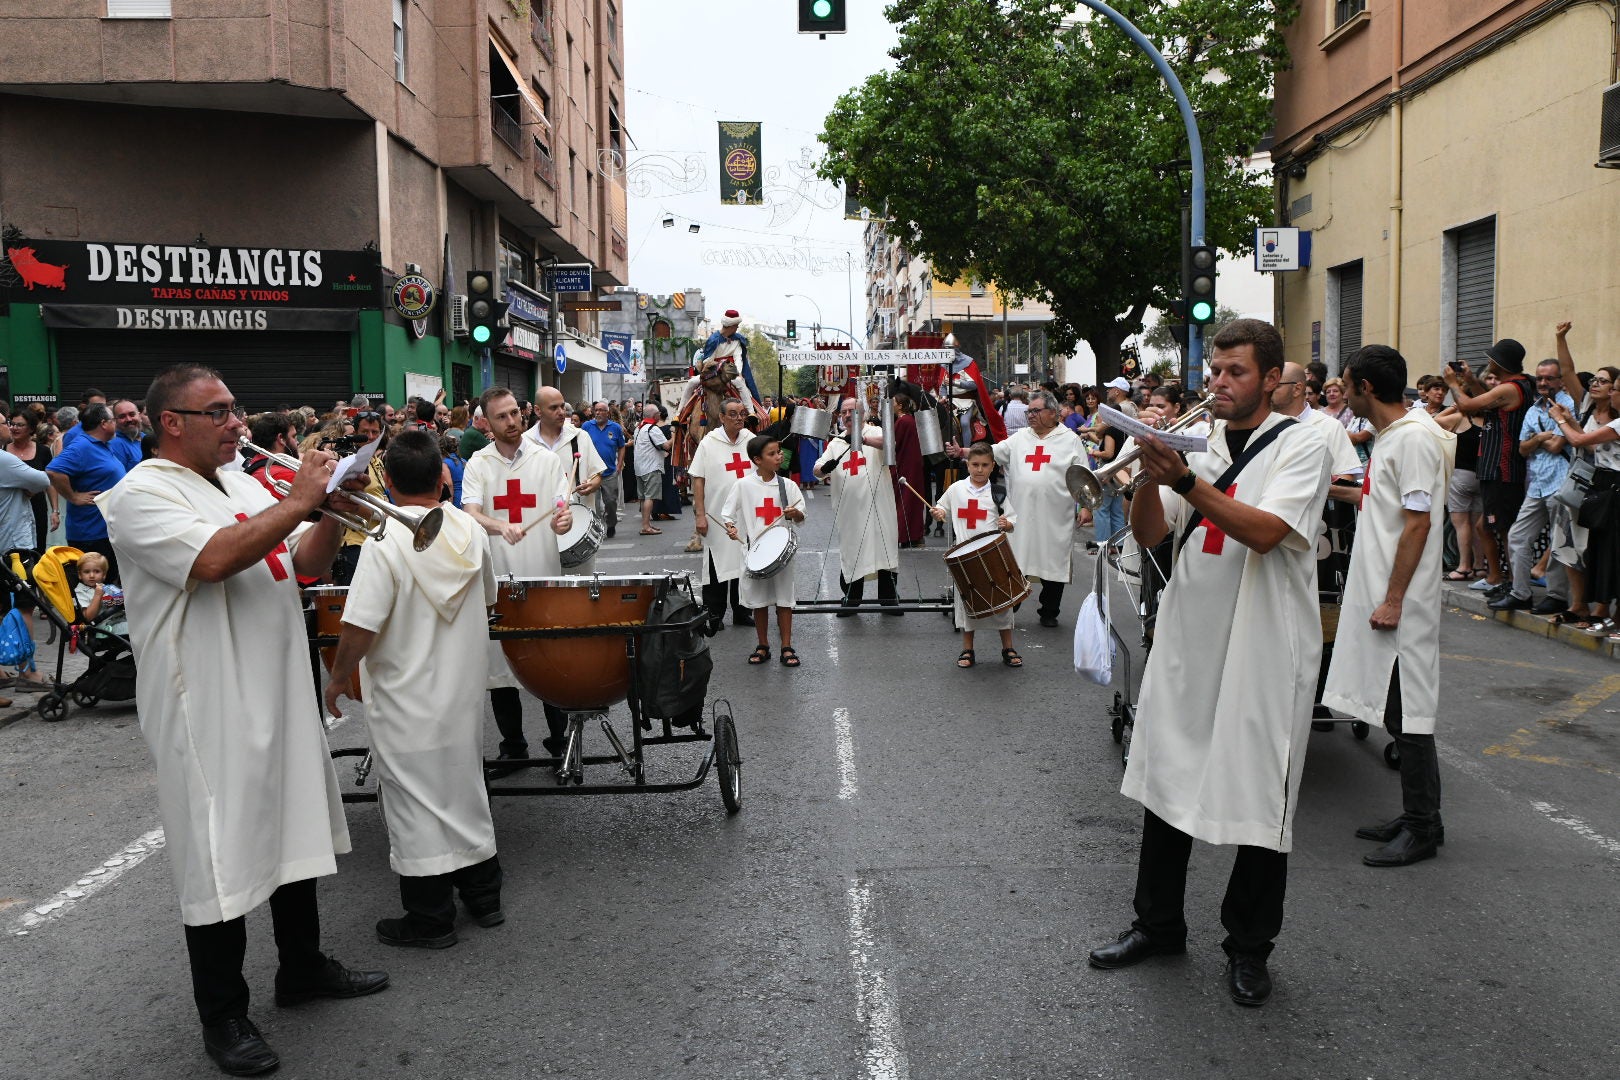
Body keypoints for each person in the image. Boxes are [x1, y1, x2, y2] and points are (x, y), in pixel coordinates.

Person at [98, 365, 387, 1077]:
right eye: (219, 413)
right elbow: (216, 558)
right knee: (218, 851)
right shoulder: (140, 495)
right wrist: (300, 499)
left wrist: (325, 511)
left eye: (235, 410)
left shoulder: (245, 483)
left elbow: (300, 563)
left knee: (292, 825)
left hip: (277, 685)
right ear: (172, 423)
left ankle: (303, 968)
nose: (237, 424)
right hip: (210, 701)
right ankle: (223, 1013)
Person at [1088, 319, 1331, 1008]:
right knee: (1168, 772)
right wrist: (1141, 474)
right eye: (1215, 371)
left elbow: (1266, 532)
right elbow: (1152, 535)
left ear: (1273, 378)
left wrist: (1186, 478)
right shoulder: (1200, 440)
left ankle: (1249, 948)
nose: (1219, 384)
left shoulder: (1306, 443)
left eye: (1236, 373)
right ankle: (1157, 924)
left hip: (1265, 642)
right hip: (1193, 632)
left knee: (1259, 792)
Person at [322, 429, 504, 949]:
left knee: (412, 800)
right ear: (442, 477)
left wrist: (338, 676)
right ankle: (485, 897)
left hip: (406, 692)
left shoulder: (385, 539)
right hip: (462, 688)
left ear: (389, 479)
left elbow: (360, 624)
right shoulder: (469, 529)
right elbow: (487, 596)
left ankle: (430, 917)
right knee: (463, 786)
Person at [1324, 344, 1455, 867]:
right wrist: (1329, 489)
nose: (1342, 388)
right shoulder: (1391, 437)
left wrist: (1396, 599)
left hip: (1403, 599)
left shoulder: (1415, 439)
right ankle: (1421, 816)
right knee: (1398, 710)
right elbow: (1385, 501)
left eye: (1347, 382)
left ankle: (1423, 827)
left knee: (1410, 710)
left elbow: (1419, 522)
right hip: (1384, 592)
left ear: (1366, 388)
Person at [461, 387, 574, 773]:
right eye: (501, 417)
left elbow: (562, 509)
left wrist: (564, 520)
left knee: (548, 659)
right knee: (500, 662)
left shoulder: (546, 461)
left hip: (541, 576)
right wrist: (498, 525)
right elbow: (470, 513)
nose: (512, 422)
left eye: (515, 413)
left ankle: (561, 743)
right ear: (486, 424)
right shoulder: (478, 463)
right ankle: (513, 746)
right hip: (497, 582)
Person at [1443, 338, 1535, 601]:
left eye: (1492, 358)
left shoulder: (1511, 388)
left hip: (1501, 467)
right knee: (1486, 527)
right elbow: (1482, 397)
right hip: (1494, 467)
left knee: (1504, 529)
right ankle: (1496, 577)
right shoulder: (1517, 385)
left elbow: (1469, 405)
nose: (1488, 362)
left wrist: (1453, 383)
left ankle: (1516, 585)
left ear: (1501, 363)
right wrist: (1471, 380)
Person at [989, 390, 1087, 627]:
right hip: (1021, 512)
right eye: (1028, 411)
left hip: (1056, 513)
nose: (1030, 415)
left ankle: (1049, 610)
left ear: (1053, 413)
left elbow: (1083, 475)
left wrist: (1085, 506)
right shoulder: (1021, 437)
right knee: (1018, 557)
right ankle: (1012, 604)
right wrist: (964, 452)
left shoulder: (1070, 439)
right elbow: (994, 452)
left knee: (1053, 558)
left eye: (1035, 410)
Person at [1490, 359, 1576, 613]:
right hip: (1538, 484)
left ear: (1560, 380)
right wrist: (1540, 437)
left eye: (1549, 378)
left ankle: (1557, 596)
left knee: (1558, 541)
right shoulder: (1532, 410)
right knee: (1517, 536)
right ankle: (1521, 592)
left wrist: (1536, 441)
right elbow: (1522, 449)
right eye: (1539, 378)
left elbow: (1557, 445)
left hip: (1560, 482)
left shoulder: (1567, 405)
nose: (1543, 383)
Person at [932, 442, 1020, 668]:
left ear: (993, 467)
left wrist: (1007, 523)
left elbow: (1012, 519)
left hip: (992, 555)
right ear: (967, 464)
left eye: (984, 465)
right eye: (975, 464)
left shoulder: (998, 492)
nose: (979, 469)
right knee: (967, 606)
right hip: (965, 558)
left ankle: (1008, 647)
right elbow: (942, 508)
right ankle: (967, 649)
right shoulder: (957, 489)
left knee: (1002, 603)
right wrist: (939, 512)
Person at [721, 434, 806, 668]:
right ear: (757, 460)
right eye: (773, 453)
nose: (779, 456)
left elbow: (801, 515)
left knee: (784, 600)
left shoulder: (787, 486)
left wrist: (794, 513)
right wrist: (731, 528)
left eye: (779, 451)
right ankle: (763, 644)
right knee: (759, 602)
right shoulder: (743, 485)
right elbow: (727, 514)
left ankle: (786, 646)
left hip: (781, 553)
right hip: (755, 551)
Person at [815, 396, 900, 615]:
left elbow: (890, 444)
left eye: (851, 411)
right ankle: (852, 598)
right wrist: (824, 468)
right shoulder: (836, 443)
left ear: (862, 414)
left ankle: (889, 599)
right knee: (852, 551)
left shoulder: (875, 432)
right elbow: (817, 469)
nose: (846, 416)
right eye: (843, 412)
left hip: (879, 507)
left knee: (884, 549)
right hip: (850, 511)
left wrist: (862, 441)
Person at [690, 399, 756, 632]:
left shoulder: (750, 440)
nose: (739, 418)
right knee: (716, 566)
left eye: (742, 413)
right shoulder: (709, 442)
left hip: (745, 516)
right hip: (717, 516)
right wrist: (700, 514)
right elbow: (698, 479)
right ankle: (714, 614)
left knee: (744, 562)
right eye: (733, 414)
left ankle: (742, 611)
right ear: (722, 418)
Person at [47, 402, 130, 582]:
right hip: (90, 533)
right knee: (95, 588)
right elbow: (54, 471)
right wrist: (73, 497)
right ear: (104, 423)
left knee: (109, 587)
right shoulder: (82, 446)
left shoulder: (101, 443)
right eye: (114, 420)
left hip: (105, 530)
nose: (116, 424)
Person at [330, 410, 387, 586]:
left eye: (375, 432)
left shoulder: (376, 460)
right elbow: (344, 501)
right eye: (365, 432)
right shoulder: (350, 460)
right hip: (355, 544)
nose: (370, 437)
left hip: (376, 539)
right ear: (355, 434)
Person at [7, 410, 58, 551]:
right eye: (12, 424)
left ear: (31, 428)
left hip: (37, 506)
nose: (14, 428)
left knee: (38, 547)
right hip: (11, 508)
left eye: (20, 425)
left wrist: (55, 511)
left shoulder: (43, 451)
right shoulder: (3, 451)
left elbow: (50, 482)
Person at [583, 400, 627, 538]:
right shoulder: (586, 426)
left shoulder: (615, 428)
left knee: (610, 502)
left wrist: (619, 465)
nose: (598, 413)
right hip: (592, 474)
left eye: (601, 410)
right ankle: (598, 528)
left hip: (609, 472)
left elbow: (622, 446)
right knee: (593, 504)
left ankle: (611, 523)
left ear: (607, 413)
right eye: (596, 410)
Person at [891, 390, 926, 548]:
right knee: (911, 500)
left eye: (893, 403)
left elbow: (894, 444)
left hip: (905, 465)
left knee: (904, 500)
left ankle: (905, 536)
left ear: (899, 405)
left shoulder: (903, 422)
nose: (891, 405)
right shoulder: (908, 420)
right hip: (912, 464)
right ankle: (914, 535)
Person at [632, 403, 670, 535]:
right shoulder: (652, 429)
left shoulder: (639, 428)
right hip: (650, 467)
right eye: (658, 413)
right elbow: (666, 446)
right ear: (655, 415)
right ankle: (646, 527)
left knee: (643, 498)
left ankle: (646, 524)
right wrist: (675, 435)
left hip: (639, 468)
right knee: (650, 497)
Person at [73, 549, 129, 638]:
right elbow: (88, 617)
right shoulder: (80, 592)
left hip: (118, 620)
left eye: (97, 571)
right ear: (80, 575)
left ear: (104, 575)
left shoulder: (105, 587)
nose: (91, 575)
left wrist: (118, 599)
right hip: (102, 629)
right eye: (87, 572)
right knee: (142, 630)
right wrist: (98, 595)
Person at [111, 398, 147, 468]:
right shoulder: (115, 444)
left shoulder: (147, 438)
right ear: (115, 420)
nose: (129, 419)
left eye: (132, 414)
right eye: (122, 416)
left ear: (139, 416)